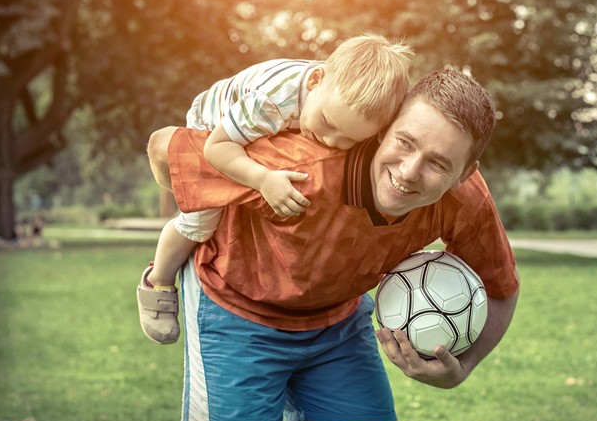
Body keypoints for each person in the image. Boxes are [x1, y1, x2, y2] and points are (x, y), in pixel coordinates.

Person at [147, 69, 520, 421]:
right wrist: (217, 185)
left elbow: (501, 287)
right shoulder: (300, 164)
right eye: (404, 142)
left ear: (466, 174)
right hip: (236, 310)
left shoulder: (467, 201)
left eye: (438, 163)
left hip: (337, 322)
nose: (408, 171)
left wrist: (463, 367)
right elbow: (163, 146)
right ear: (383, 130)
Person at [137, 34, 413, 344]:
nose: (331, 141)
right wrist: (262, 179)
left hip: (256, 126)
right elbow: (218, 146)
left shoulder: (333, 101)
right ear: (315, 81)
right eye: (327, 122)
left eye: (349, 140)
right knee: (201, 222)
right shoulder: (274, 102)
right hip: (213, 123)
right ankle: (157, 279)